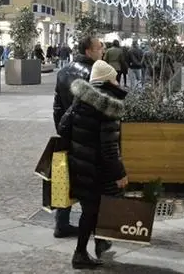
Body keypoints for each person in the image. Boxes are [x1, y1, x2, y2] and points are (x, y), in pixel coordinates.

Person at [58, 59, 128, 269]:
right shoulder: (108, 106)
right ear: (108, 80)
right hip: (98, 169)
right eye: (114, 78)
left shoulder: (80, 100)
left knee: (91, 209)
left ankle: (97, 244)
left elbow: (63, 127)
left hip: (81, 165)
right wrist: (120, 173)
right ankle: (81, 253)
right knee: (94, 211)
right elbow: (109, 147)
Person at [52, 36, 104, 239]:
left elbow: (57, 104)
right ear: (89, 51)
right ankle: (91, 224)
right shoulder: (95, 72)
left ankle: (61, 223)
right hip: (88, 134)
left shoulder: (64, 71)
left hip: (67, 131)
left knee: (65, 178)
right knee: (89, 180)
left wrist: (62, 128)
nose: (103, 50)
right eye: (100, 47)